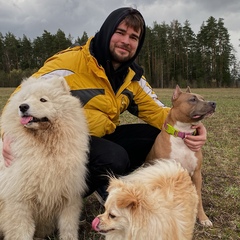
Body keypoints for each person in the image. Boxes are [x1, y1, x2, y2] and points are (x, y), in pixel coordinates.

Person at [1, 7, 207, 204]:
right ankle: (60, 201)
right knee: (113, 158)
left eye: (133, 37)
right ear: (107, 31)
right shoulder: (70, 63)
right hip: (67, 143)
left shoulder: (133, 77)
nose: (126, 41)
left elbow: (163, 114)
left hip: (103, 136)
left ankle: (108, 186)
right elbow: (22, 96)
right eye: (120, 32)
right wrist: (6, 134)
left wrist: (196, 127)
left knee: (156, 135)